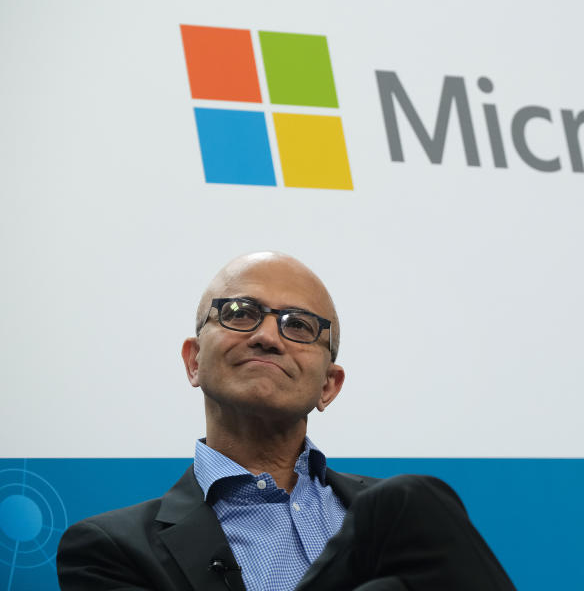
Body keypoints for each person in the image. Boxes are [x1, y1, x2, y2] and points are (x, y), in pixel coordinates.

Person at [57, 252, 515, 591]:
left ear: (328, 387)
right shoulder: (108, 549)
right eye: (241, 314)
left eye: (299, 326)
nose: (267, 336)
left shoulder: (400, 522)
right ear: (193, 361)